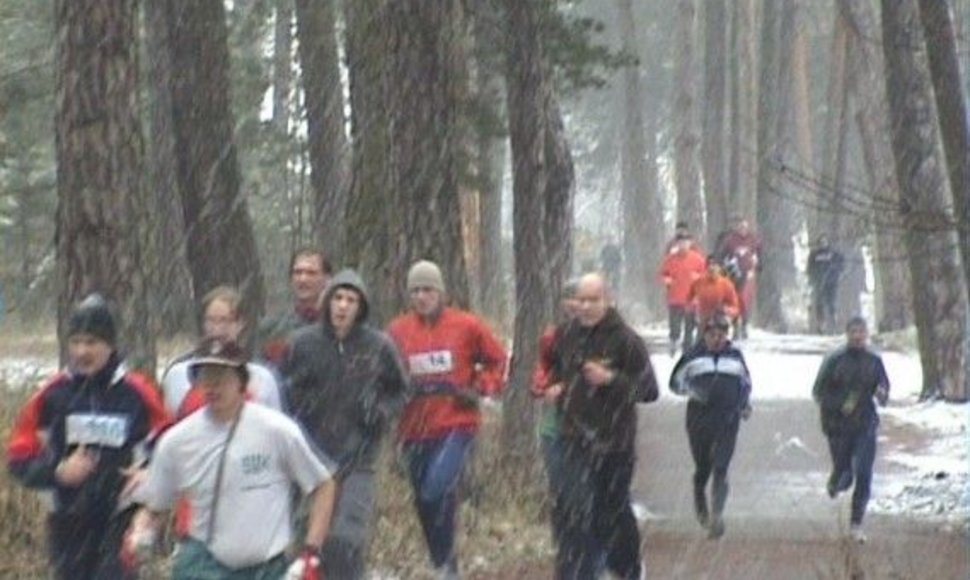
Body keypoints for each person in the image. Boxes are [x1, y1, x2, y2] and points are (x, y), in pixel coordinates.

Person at [126, 340, 338, 579]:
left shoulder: (277, 430)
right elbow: (156, 505)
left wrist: (311, 552)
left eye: (222, 376)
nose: (214, 386)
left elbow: (323, 485)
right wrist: (141, 533)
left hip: (265, 567)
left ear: (241, 381)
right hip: (204, 564)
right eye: (207, 376)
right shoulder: (178, 441)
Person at [6, 293, 170, 580]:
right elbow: (17, 459)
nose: (82, 351)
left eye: (91, 343)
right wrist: (57, 473)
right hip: (68, 524)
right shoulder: (52, 395)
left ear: (110, 345)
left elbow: (174, 450)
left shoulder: (137, 393)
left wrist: (150, 474)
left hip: (121, 522)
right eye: (76, 342)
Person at [281, 269, 410, 578]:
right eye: (338, 298)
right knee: (303, 542)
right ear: (327, 302)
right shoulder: (303, 343)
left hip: (359, 455)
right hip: (311, 455)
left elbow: (402, 389)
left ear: (361, 307)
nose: (342, 306)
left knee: (346, 538)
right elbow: (285, 388)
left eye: (351, 300)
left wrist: (379, 411)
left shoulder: (378, 345)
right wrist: (302, 404)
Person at [387, 260, 507, 579]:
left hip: (456, 424)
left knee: (436, 489)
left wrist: (480, 387)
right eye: (415, 291)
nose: (422, 297)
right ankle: (444, 562)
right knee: (423, 501)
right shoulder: (398, 330)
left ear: (441, 292)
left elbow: (498, 361)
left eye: (428, 290)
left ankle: (446, 566)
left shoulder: (466, 326)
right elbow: (383, 372)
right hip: (413, 428)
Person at [549, 272, 658, 580]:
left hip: (614, 441)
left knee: (611, 509)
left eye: (593, 300)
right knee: (572, 508)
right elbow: (557, 372)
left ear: (607, 301)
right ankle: (578, 571)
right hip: (573, 437)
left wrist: (611, 380)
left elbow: (649, 390)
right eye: (581, 300)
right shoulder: (566, 335)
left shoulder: (625, 340)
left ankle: (628, 568)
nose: (586, 307)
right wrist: (555, 388)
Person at [669, 313, 752, 540]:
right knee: (704, 466)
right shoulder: (692, 356)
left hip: (727, 418)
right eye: (712, 334)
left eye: (721, 334)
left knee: (721, 467)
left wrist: (744, 404)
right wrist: (693, 392)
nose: (717, 339)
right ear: (704, 334)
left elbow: (745, 383)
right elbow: (675, 383)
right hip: (699, 418)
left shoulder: (735, 357)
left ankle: (717, 515)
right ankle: (700, 497)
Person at [812, 316, 889, 543]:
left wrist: (882, 393)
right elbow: (818, 391)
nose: (857, 336)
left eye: (861, 332)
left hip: (865, 423)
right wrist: (839, 404)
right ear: (847, 334)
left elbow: (883, 385)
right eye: (853, 331)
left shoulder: (874, 360)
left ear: (866, 334)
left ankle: (856, 524)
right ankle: (836, 479)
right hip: (838, 426)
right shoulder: (834, 359)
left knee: (864, 473)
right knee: (845, 474)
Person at [161, 286, 282, 417]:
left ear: (240, 324)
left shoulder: (261, 378)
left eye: (225, 321)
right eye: (211, 320)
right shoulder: (178, 374)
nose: (217, 330)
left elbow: (275, 429)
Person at [530, 279, 580, 549]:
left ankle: (591, 552)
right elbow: (542, 369)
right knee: (560, 490)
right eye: (569, 298)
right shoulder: (551, 338)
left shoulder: (607, 338)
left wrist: (568, 387)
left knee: (585, 493)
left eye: (581, 298)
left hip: (589, 429)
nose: (574, 304)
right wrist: (541, 385)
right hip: (554, 427)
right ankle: (566, 547)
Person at [255, 247, 333, 366]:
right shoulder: (272, 329)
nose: (303, 279)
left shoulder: (338, 328)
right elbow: (260, 376)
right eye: (298, 272)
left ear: (327, 279)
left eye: (311, 273)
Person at [715, 215, 761, 338]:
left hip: (748, 274)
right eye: (740, 227)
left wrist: (758, 266)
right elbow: (721, 255)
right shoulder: (730, 240)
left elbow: (760, 254)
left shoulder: (753, 240)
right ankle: (735, 326)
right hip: (734, 274)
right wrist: (724, 268)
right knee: (734, 300)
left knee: (745, 301)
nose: (743, 230)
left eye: (745, 227)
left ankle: (745, 325)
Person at [659, 239, 707, 354]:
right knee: (675, 326)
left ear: (690, 244)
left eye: (685, 243)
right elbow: (662, 274)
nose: (683, 246)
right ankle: (674, 341)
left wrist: (699, 277)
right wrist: (667, 280)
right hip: (674, 299)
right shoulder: (670, 259)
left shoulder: (698, 259)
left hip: (691, 300)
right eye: (680, 244)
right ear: (677, 245)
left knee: (689, 327)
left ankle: (687, 349)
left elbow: (706, 274)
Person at [687, 256, 741, 330]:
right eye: (710, 266)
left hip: (720, 320)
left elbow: (735, 307)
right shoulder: (698, 282)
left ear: (719, 269)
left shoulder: (726, 285)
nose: (712, 268)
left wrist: (726, 310)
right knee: (701, 337)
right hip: (703, 319)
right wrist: (693, 307)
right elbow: (689, 299)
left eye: (715, 266)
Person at [807, 235, 844, 334]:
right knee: (819, 305)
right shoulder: (814, 255)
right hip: (819, 283)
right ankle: (821, 325)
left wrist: (836, 273)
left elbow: (841, 265)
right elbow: (810, 269)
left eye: (825, 241)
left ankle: (833, 324)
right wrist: (813, 278)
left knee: (831, 304)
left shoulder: (834, 254)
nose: (823, 244)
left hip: (831, 283)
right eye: (821, 242)